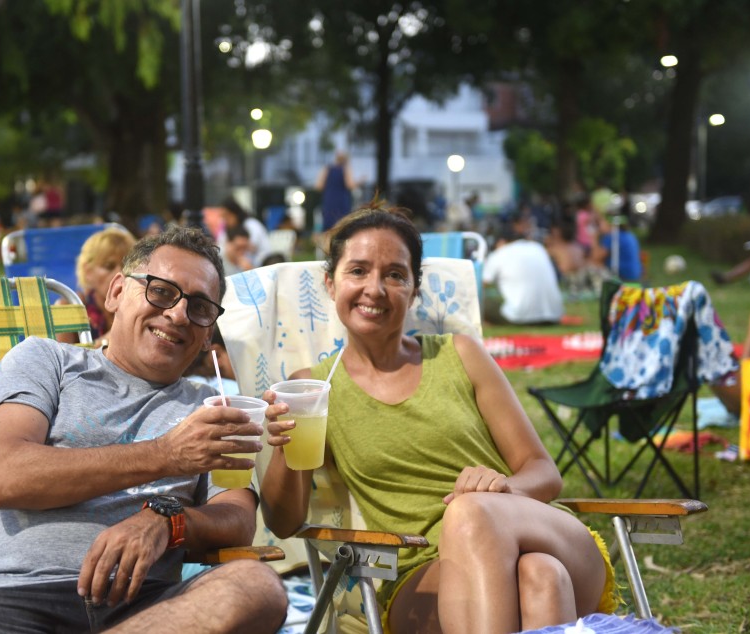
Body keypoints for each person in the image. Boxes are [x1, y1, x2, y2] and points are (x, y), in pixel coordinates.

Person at [259, 205, 618, 634]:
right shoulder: (313, 390)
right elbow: (284, 523)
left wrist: (502, 489)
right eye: (358, 271)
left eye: (394, 274)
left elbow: (543, 472)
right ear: (330, 282)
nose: (374, 288)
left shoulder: (460, 356)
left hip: (539, 534)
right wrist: (284, 447)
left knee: (471, 515)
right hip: (425, 568)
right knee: (540, 579)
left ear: (413, 291)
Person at [0, 226, 288, 633]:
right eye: (161, 291)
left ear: (209, 332)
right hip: (12, 597)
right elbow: (4, 476)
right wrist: (166, 455)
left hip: (144, 611)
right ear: (117, 292)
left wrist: (167, 522)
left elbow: (238, 519)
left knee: (257, 586)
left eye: (200, 307)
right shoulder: (47, 361)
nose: (177, 315)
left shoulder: (209, 407)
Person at [57, 226, 137, 348]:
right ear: (88, 271)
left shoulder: (140, 307)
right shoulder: (69, 307)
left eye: (126, 266)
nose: (120, 274)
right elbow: (62, 362)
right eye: (109, 266)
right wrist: (106, 341)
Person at [482, 223, 564, 326]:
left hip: (519, 317)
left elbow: (480, 287)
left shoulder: (499, 253)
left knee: (481, 302)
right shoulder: (538, 248)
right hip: (553, 316)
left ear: (501, 242)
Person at [219, 196, 270, 267]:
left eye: (227, 215)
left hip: (260, 263)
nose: (225, 219)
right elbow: (221, 247)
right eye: (223, 217)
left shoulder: (251, 224)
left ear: (235, 213)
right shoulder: (226, 229)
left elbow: (250, 246)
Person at [314, 150, 357, 232]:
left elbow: (318, 186)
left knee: (329, 226)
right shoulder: (345, 169)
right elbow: (350, 185)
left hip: (329, 199)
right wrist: (360, 182)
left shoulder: (327, 169)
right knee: (342, 225)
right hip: (341, 200)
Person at [591, 214, 642, 282]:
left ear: (609, 224)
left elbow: (596, 258)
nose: (599, 226)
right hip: (636, 273)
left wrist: (594, 238)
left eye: (601, 223)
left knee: (592, 266)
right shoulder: (629, 234)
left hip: (623, 275)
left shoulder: (611, 236)